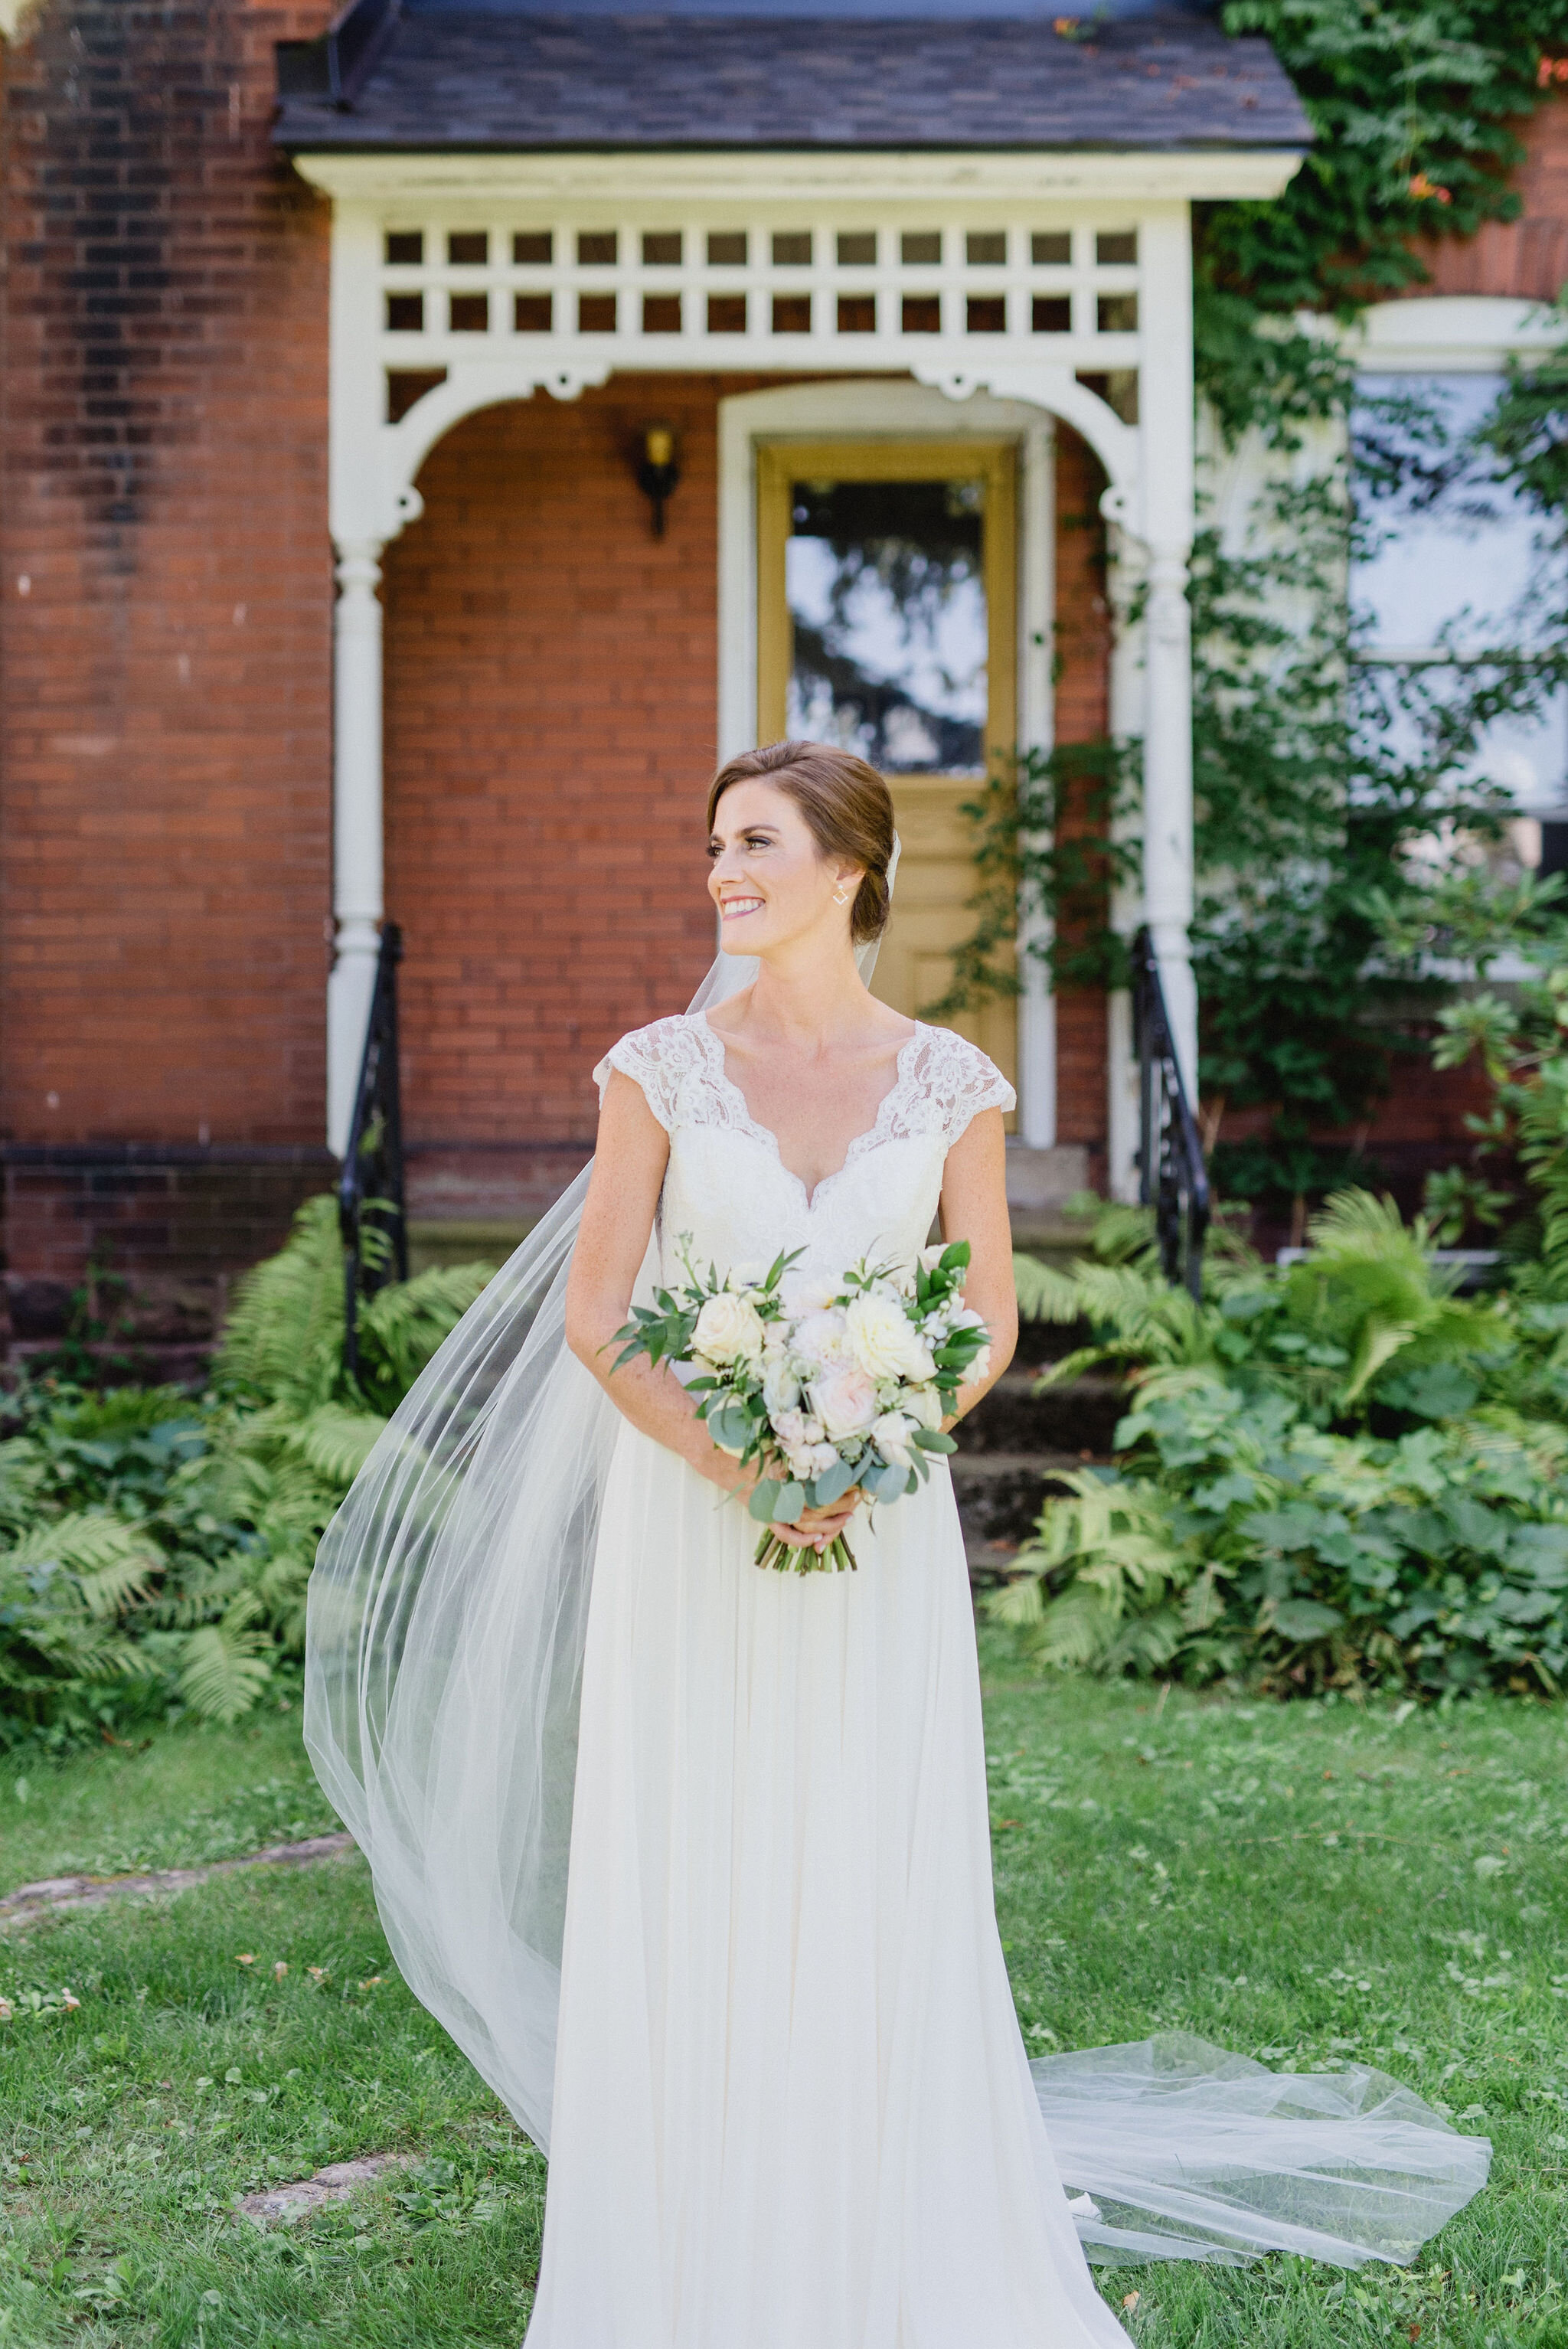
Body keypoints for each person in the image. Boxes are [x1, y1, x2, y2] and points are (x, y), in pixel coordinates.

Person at [305, 742, 1490, 2349]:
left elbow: (987, 1313)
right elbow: (598, 1318)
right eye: (714, 842)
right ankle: (692, 2220)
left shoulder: (952, 1082)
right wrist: (741, 1457)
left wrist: (872, 1436)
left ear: (849, 866)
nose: (722, 869)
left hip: (877, 1519)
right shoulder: (656, 1066)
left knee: (869, 1842)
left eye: (755, 841)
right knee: (698, 1844)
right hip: (693, 1523)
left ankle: (887, 2203)